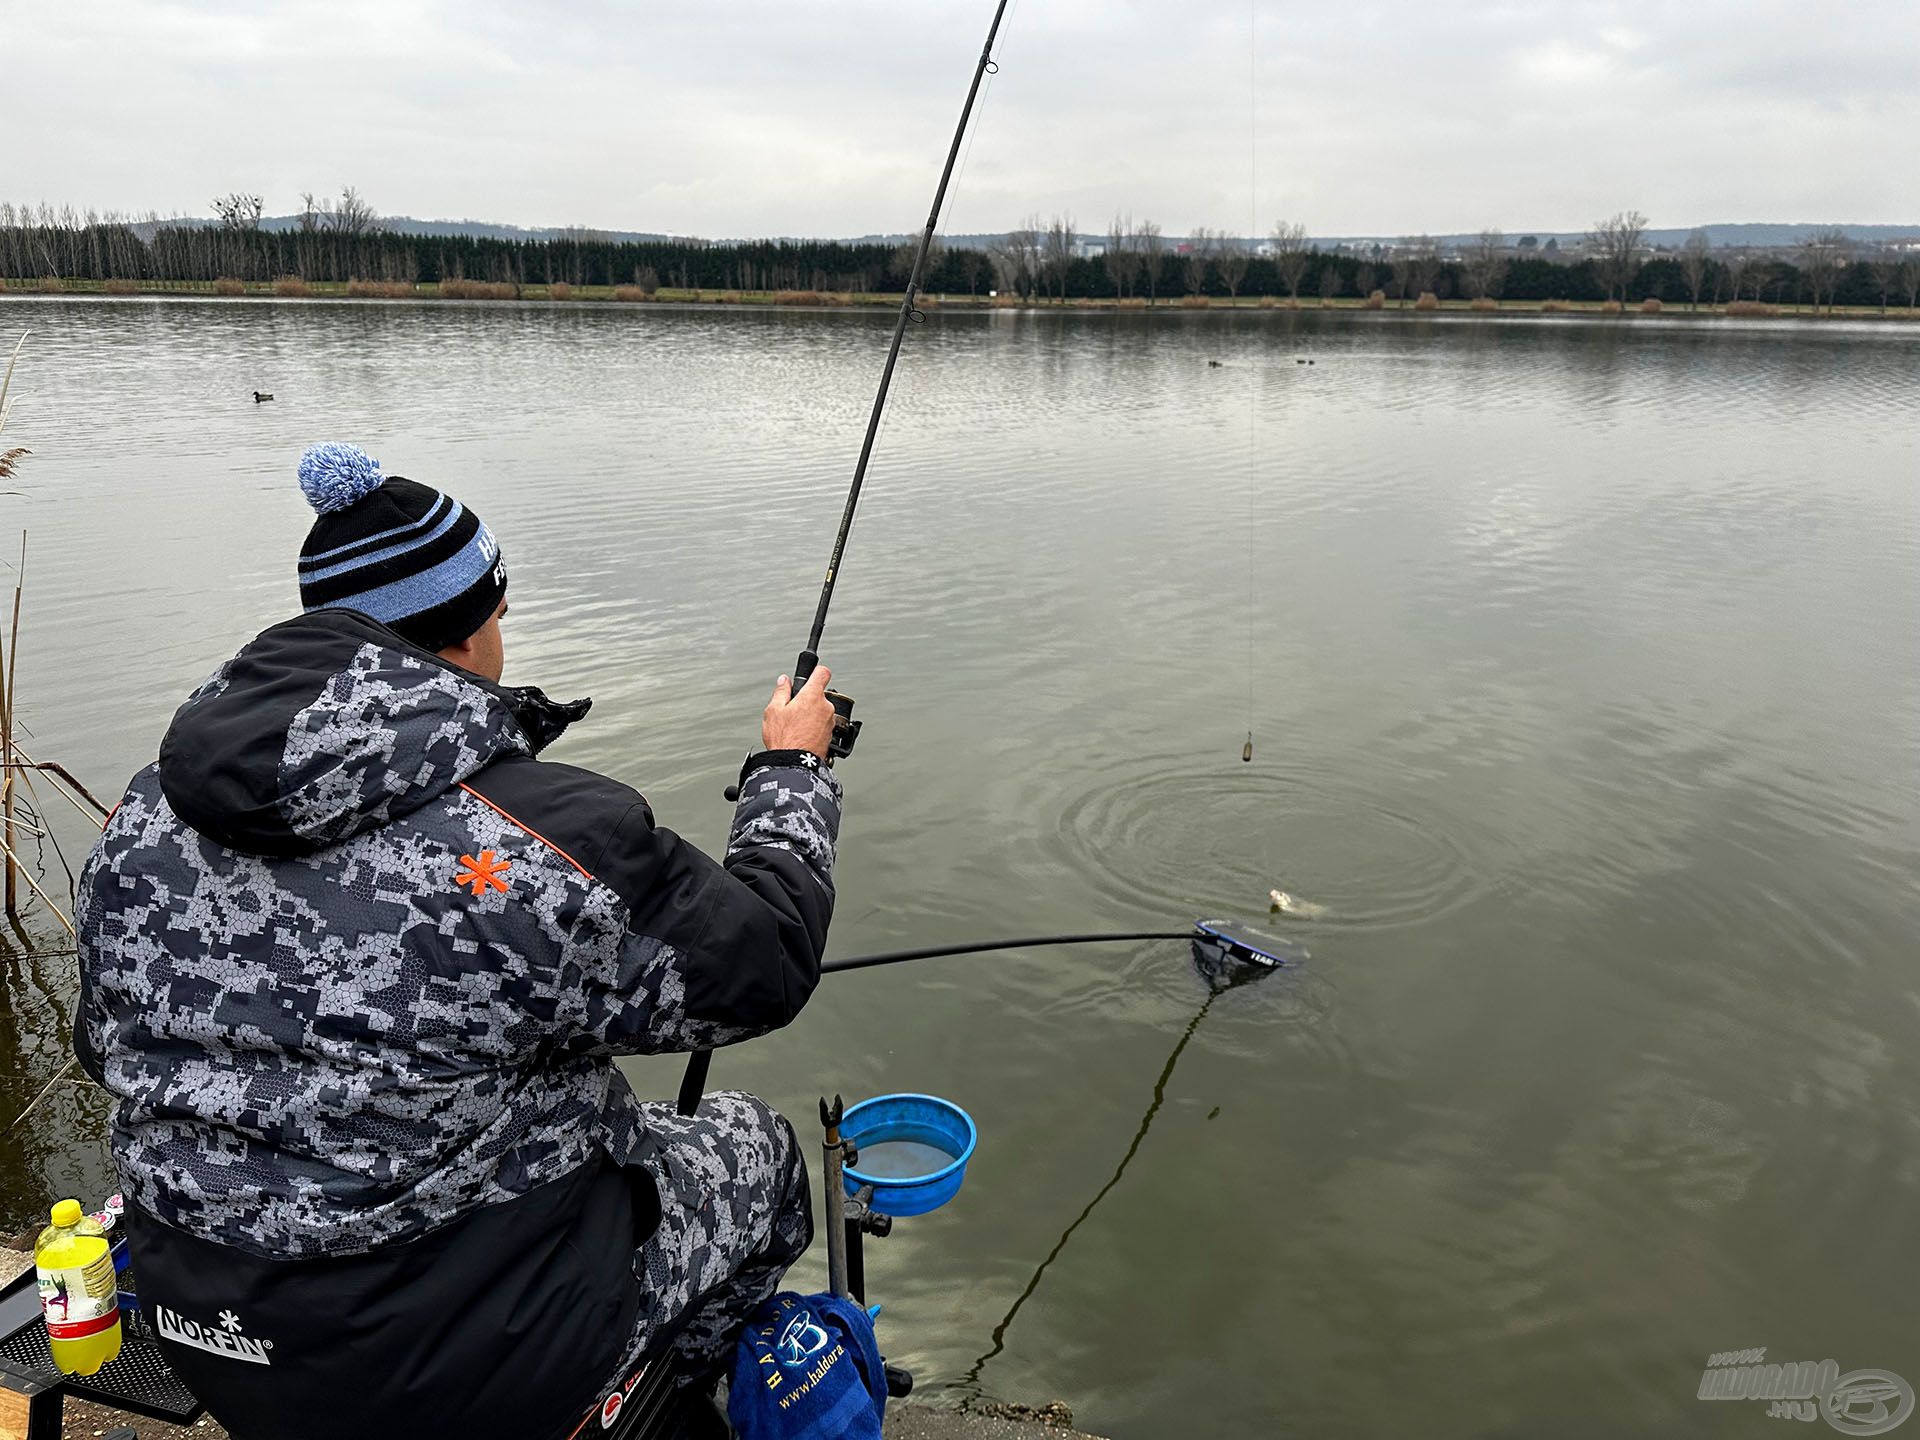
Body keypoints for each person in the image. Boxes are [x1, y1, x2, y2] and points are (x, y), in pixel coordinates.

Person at [74, 442, 843, 1440]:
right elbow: (765, 963)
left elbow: (107, 1047)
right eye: (502, 614)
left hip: (204, 1331)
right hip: (453, 1368)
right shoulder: (543, 836)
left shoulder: (144, 812)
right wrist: (791, 772)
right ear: (473, 632)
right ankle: (649, 1405)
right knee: (763, 1154)